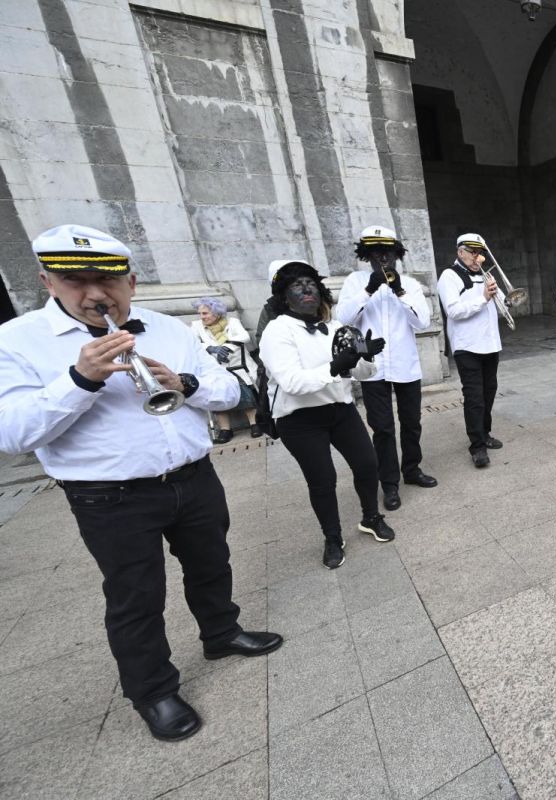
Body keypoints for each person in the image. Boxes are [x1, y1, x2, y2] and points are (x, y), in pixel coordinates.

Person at [0, 225, 282, 742]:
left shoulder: (166, 328)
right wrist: (80, 378)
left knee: (211, 564)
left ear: (130, 281)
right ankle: (153, 691)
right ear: (47, 281)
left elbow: (227, 391)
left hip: (193, 477)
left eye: (107, 282)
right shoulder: (16, 341)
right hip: (110, 497)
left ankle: (221, 633)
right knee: (135, 596)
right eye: (74, 281)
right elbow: (13, 433)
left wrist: (186, 383)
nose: (94, 295)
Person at [259, 260, 394, 570]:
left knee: (367, 464)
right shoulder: (276, 331)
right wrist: (335, 365)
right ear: (283, 296)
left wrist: (364, 356)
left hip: (340, 409)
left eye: (312, 285)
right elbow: (293, 382)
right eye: (297, 286)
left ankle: (371, 517)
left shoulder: (335, 328)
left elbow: (362, 373)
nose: (307, 290)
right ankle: (332, 537)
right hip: (299, 420)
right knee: (322, 480)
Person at [334, 226, 437, 513]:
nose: (383, 258)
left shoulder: (411, 284)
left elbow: (423, 323)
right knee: (382, 427)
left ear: (396, 254)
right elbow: (344, 318)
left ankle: (412, 469)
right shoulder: (355, 282)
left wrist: (399, 291)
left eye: (388, 252)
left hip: (405, 364)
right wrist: (369, 289)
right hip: (374, 367)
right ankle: (389, 483)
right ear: (367, 255)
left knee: (412, 422)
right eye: (376, 252)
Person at [437, 233, 505, 468]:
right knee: (474, 397)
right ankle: (477, 447)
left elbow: (502, 304)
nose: (477, 256)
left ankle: (484, 433)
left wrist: (503, 298)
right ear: (460, 252)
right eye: (472, 252)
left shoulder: (486, 275)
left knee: (489, 393)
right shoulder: (450, 276)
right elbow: (453, 311)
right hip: (467, 346)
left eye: (480, 252)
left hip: (490, 344)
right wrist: (483, 298)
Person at [190, 296, 260, 443]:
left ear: (216, 313)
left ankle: (255, 424)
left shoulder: (232, 322)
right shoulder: (196, 326)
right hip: (216, 369)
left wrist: (225, 347)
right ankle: (225, 430)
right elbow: (192, 344)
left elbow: (244, 337)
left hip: (237, 365)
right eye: (200, 313)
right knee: (218, 398)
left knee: (245, 395)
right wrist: (210, 348)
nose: (201, 317)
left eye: (205, 313)